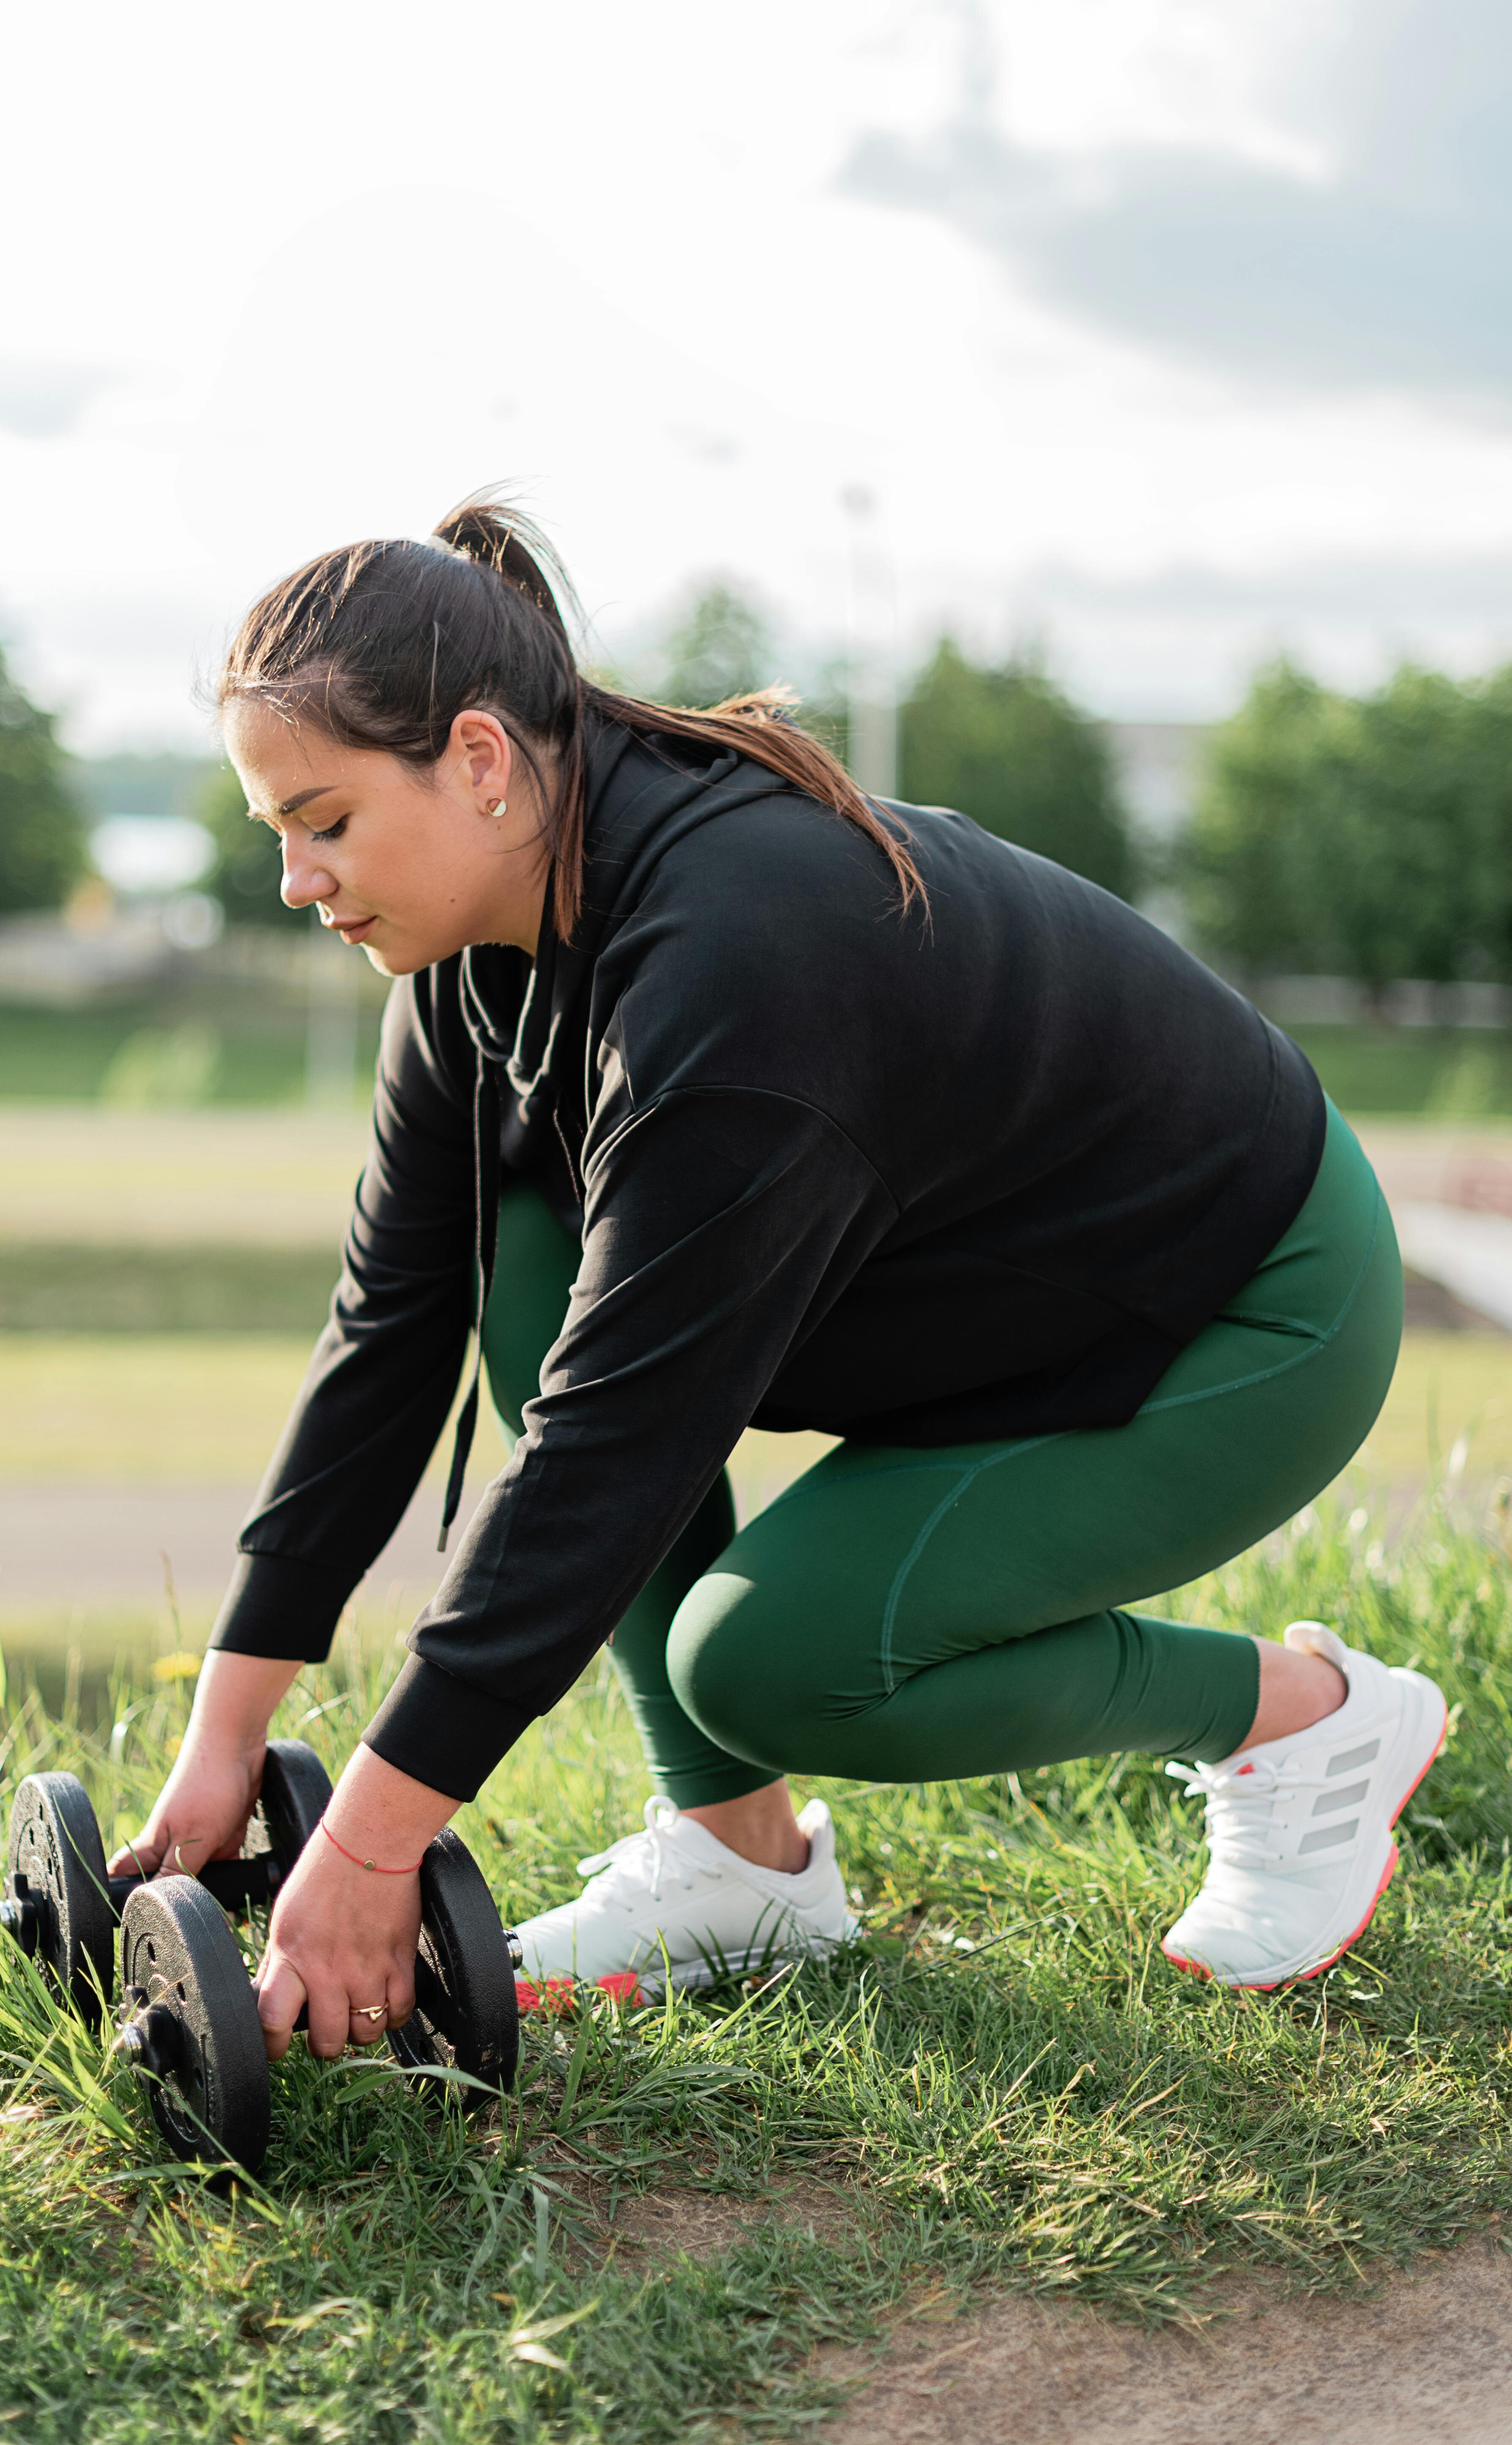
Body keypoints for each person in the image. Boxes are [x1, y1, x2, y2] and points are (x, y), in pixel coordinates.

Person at [111, 499, 1447, 2058]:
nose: (296, 879)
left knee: (768, 1662)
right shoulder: (470, 957)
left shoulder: (742, 954)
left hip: (1246, 1306)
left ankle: (1309, 1724)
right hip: (989, 1297)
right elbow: (390, 1327)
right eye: (276, 831)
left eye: (326, 822)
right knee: (519, 1244)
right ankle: (738, 1865)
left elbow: (614, 1442)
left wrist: (367, 1848)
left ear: (478, 759)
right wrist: (229, 1731)